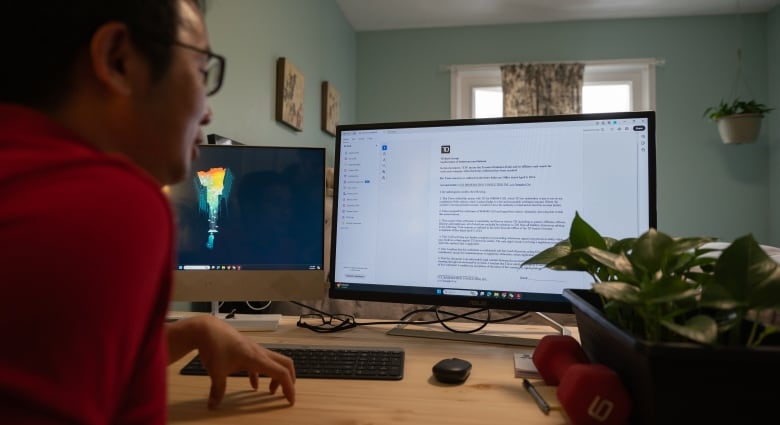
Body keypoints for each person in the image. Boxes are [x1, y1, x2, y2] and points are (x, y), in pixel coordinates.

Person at [0, 1, 296, 423]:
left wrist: (189, 332)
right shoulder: (108, 202)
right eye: (200, 69)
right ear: (118, 59)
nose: (208, 110)